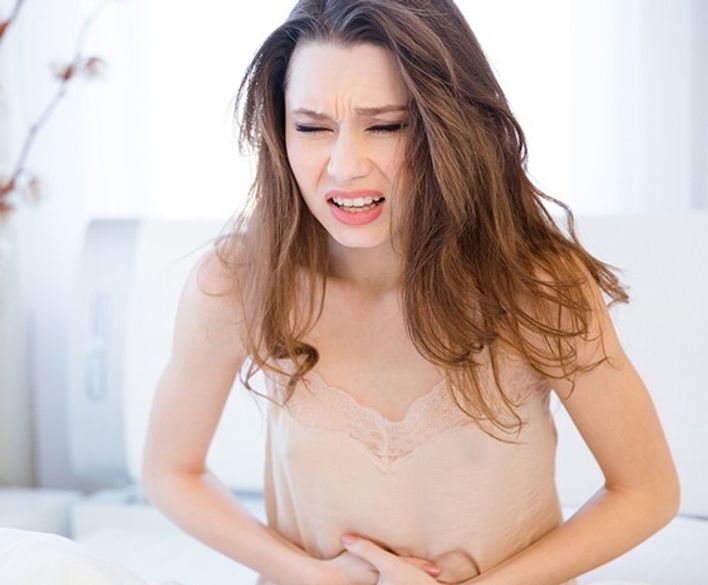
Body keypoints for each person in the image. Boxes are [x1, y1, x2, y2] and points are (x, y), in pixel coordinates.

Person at [140, 1, 680, 584]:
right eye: (312, 127)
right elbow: (171, 471)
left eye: (386, 126)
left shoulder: (536, 285)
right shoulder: (239, 280)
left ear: (448, 126)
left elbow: (646, 491)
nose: (344, 167)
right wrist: (308, 575)